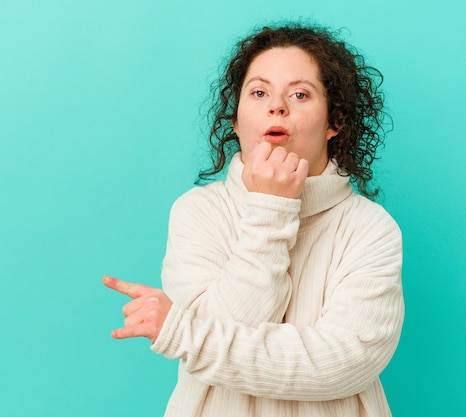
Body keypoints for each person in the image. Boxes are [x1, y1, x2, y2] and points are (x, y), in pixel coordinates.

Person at [104, 22, 404, 417]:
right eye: (259, 92)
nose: (276, 106)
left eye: (300, 94)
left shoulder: (371, 228)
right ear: (235, 120)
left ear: (336, 122)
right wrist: (271, 209)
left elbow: (341, 365)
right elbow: (228, 324)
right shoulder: (197, 211)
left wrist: (185, 332)